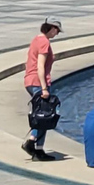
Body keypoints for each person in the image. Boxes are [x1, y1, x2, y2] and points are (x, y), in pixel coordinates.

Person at [21, 16, 63, 161]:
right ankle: (32, 143)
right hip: (38, 82)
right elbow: (40, 66)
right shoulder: (44, 42)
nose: (56, 34)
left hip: (30, 81)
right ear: (51, 28)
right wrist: (44, 88)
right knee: (44, 115)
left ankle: (38, 149)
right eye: (56, 30)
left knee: (42, 114)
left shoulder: (37, 39)